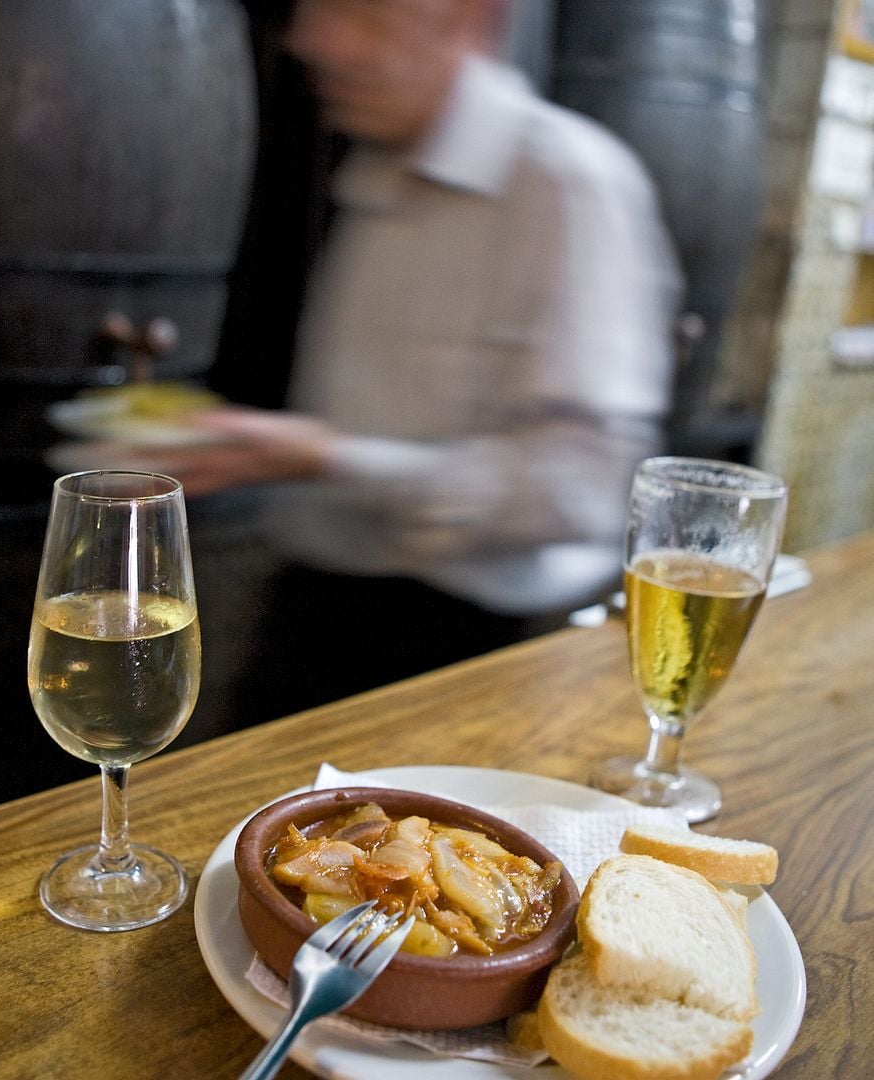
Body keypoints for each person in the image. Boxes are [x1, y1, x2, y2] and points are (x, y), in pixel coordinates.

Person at [51, 0, 683, 724]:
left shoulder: (567, 181)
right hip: (314, 606)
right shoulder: (379, 165)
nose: (312, 40)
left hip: (471, 655)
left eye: (361, 11)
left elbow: (583, 488)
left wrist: (325, 456)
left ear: (468, 18)